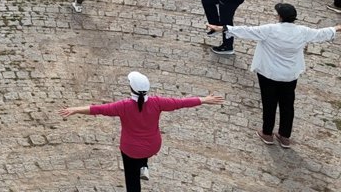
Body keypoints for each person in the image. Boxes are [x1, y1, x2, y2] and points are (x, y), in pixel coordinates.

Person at [207, 3, 341, 147]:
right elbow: (320, 34)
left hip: (268, 73)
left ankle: (267, 133)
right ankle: (285, 136)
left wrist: (222, 28)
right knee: (287, 105)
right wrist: (336, 28)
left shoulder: (270, 29)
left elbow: (247, 31)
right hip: (289, 75)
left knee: (269, 104)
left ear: (280, 17)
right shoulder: (302, 31)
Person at [60, 72, 224, 191]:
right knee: (143, 152)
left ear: (131, 88)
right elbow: (181, 102)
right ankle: (144, 166)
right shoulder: (157, 102)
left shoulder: (123, 106)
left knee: (132, 181)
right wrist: (204, 100)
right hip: (152, 146)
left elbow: (98, 109)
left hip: (131, 149)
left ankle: (141, 168)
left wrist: (75, 109)